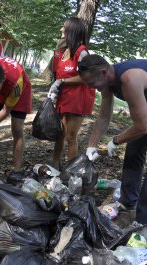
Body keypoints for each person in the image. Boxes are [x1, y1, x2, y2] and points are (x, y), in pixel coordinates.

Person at [78, 54, 147, 225]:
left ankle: (145, 220)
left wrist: (116, 140)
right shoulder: (107, 81)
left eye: (91, 83)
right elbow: (104, 116)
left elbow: (142, 127)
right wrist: (90, 146)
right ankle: (128, 200)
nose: (89, 87)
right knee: (134, 151)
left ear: (103, 72)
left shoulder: (129, 79)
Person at [48, 17, 95, 169]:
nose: (61, 30)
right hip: (63, 98)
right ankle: (55, 165)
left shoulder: (81, 52)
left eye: (64, 27)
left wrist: (62, 82)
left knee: (70, 136)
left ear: (72, 31)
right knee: (59, 133)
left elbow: (87, 75)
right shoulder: (63, 51)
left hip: (77, 99)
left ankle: (69, 171)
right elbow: (59, 74)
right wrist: (55, 86)